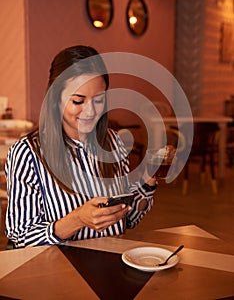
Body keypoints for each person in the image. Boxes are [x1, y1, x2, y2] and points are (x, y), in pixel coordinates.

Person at [5, 45, 158, 248]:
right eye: (78, 101)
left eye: (99, 100)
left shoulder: (114, 143)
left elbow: (127, 221)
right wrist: (77, 220)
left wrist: (146, 185)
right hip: (57, 273)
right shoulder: (27, 154)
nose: (90, 112)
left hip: (110, 264)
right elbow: (20, 237)